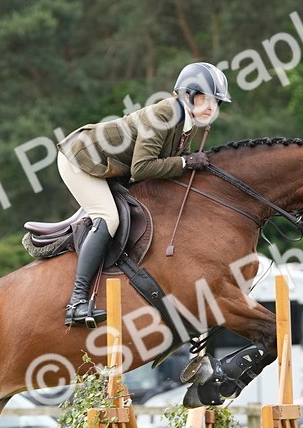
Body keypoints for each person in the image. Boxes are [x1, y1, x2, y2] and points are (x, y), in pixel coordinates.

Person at [54, 62, 232, 327]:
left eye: (216, 102)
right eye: (206, 98)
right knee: (108, 218)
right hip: (81, 159)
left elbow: (169, 162)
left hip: (111, 168)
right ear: (187, 95)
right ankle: (77, 302)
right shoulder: (165, 113)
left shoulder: (188, 123)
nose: (211, 107)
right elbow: (142, 167)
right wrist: (185, 163)